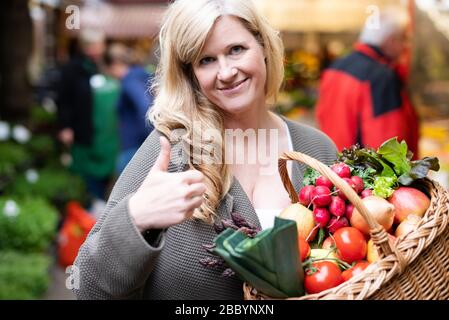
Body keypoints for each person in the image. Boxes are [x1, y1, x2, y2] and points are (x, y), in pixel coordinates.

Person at [73, 0, 337, 300]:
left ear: (263, 46)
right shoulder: (171, 150)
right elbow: (88, 289)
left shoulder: (317, 149)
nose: (226, 72)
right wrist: (136, 219)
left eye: (236, 49)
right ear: (191, 74)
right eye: (206, 60)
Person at [315, 9, 419, 157]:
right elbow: (387, 145)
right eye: (403, 39)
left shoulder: (336, 66)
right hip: (363, 174)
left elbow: (322, 116)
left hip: (337, 166)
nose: (405, 46)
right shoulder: (381, 76)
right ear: (390, 40)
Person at [56, 29, 119, 203]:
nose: (99, 49)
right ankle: (90, 205)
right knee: (86, 173)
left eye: (101, 45)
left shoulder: (104, 65)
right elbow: (63, 100)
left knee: (106, 172)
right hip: (83, 128)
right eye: (95, 46)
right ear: (85, 47)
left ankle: (98, 203)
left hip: (106, 134)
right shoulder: (72, 69)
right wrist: (65, 126)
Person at [104, 43, 155, 175]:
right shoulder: (142, 75)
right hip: (141, 146)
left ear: (114, 64)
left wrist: (151, 139)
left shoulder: (129, 80)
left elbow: (145, 107)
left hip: (134, 147)